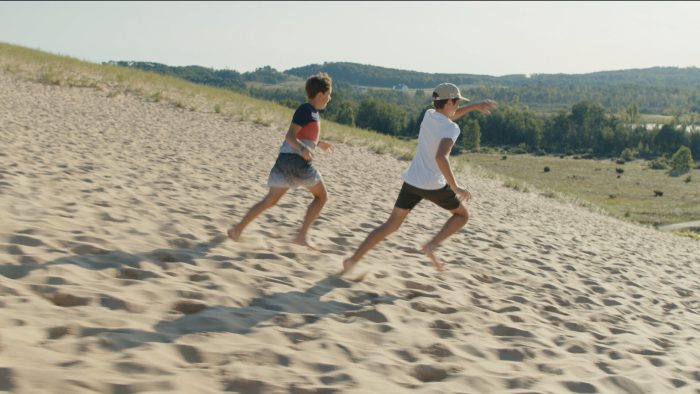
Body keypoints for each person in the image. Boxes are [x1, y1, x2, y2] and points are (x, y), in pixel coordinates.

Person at [342, 83, 497, 273]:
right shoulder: (452, 129)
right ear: (449, 101)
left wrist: (475, 107)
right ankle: (431, 245)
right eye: (456, 102)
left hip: (412, 180)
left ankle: (353, 260)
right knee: (462, 216)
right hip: (433, 185)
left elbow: (450, 115)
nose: (457, 106)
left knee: (391, 224)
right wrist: (455, 187)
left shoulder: (428, 115)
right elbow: (441, 157)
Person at [228, 73, 334, 249]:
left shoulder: (312, 113)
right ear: (321, 94)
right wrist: (302, 149)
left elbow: (304, 136)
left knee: (270, 201)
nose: (330, 98)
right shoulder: (306, 110)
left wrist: (319, 144)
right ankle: (301, 236)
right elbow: (291, 135)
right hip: (296, 162)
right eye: (329, 94)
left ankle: (237, 230)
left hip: (285, 162)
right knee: (322, 197)